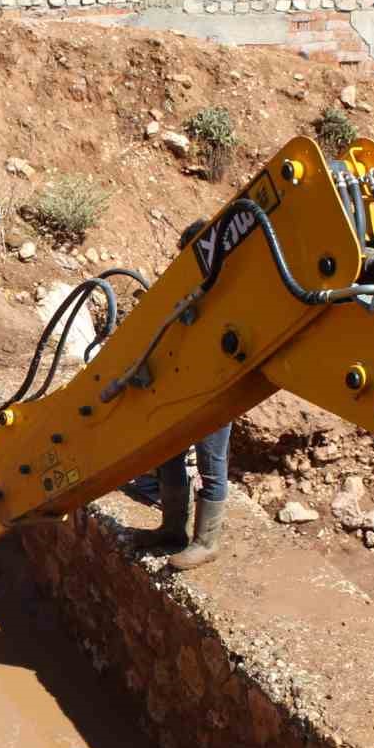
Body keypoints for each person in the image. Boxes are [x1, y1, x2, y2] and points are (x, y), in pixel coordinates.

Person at [130, 221, 233, 570]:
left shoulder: (231, 295)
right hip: (179, 390)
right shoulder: (185, 290)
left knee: (211, 465)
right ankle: (172, 529)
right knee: (168, 457)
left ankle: (206, 542)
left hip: (216, 393)